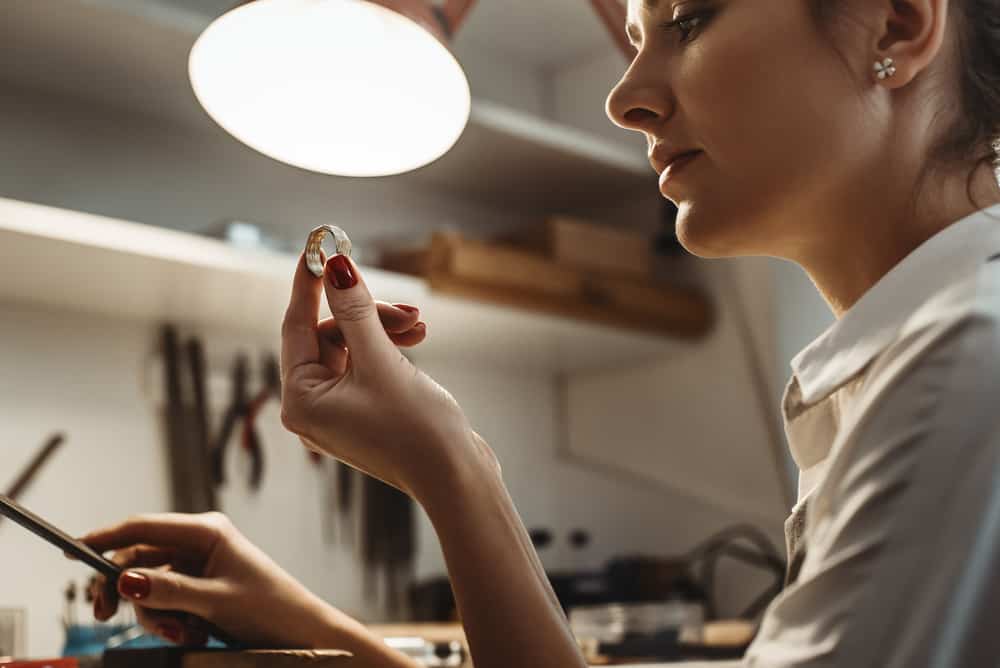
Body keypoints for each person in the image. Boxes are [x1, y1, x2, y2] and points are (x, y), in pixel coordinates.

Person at [80, 0, 1000, 666]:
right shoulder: (919, 360)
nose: (624, 97)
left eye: (686, 19)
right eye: (633, 39)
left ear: (897, 23)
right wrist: (319, 632)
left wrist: (450, 470)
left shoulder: (964, 360)